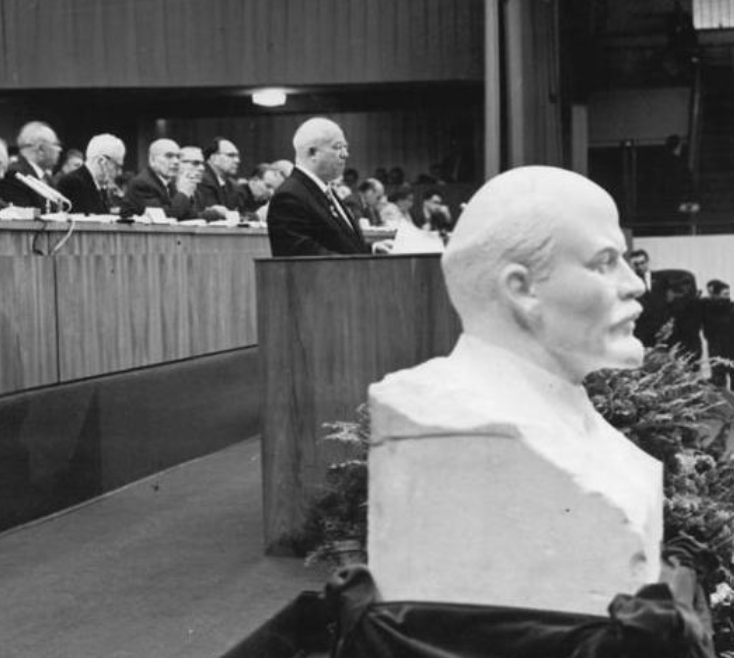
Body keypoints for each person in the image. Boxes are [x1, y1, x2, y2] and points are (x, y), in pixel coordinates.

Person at [367, 165, 662, 615]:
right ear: (522, 289)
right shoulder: (448, 414)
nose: (634, 282)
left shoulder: (565, 408)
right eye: (604, 262)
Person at [266, 117, 367, 256]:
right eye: (338, 147)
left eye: (346, 147)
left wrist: (371, 249)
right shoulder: (289, 196)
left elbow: (340, 243)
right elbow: (302, 254)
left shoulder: (324, 190)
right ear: (312, 153)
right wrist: (358, 263)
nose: (345, 154)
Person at [119, 138, 196, 219]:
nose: (176, 161)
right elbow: (165, 216)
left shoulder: (171, 184)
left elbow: (188, 215)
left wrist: (210, 214)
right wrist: (183, 193)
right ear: (152, 160)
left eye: (178, 157)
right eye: (169, 156)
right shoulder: (141, 183)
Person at [0, 121, 62, 210]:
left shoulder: (48, 179)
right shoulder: (14, 176)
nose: (60, 149)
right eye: (56, 144)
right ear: (41, 149)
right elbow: (23, 219)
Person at [55, 134, 125, 215]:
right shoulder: (72, 183)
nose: (119, 172)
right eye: (117, 166)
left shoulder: (99, 186)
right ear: (101, 161)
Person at [195, 137, 242, 220]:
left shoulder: (233, 185)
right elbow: (216, 215)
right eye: (231, 155)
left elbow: (238, 213)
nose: (237, 160)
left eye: (237, 156)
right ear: (213, 158)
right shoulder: (202, 179)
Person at [703, 279, 734, 389]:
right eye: (725, 294)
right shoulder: (706, 307)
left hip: (730, 350)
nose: (727, 297)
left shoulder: (731, 308)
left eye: (728, 294)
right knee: (718, 381)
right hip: (716, 350)